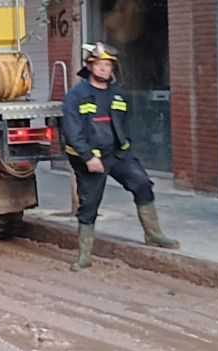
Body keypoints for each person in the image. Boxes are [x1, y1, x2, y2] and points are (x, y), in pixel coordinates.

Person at [61, 42, 178, 269]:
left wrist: (127, 148)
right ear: (89, 66)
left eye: (108, 65)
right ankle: (85, 256)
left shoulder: (117, 95)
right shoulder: (76, 96)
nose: (104, 69)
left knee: (142, 183)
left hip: (117, 154)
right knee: (89, 204)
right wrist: (88, 158)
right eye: (100, 65)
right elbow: (72, 131)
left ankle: (154, 235)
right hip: (91, 159)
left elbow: (124, 124)